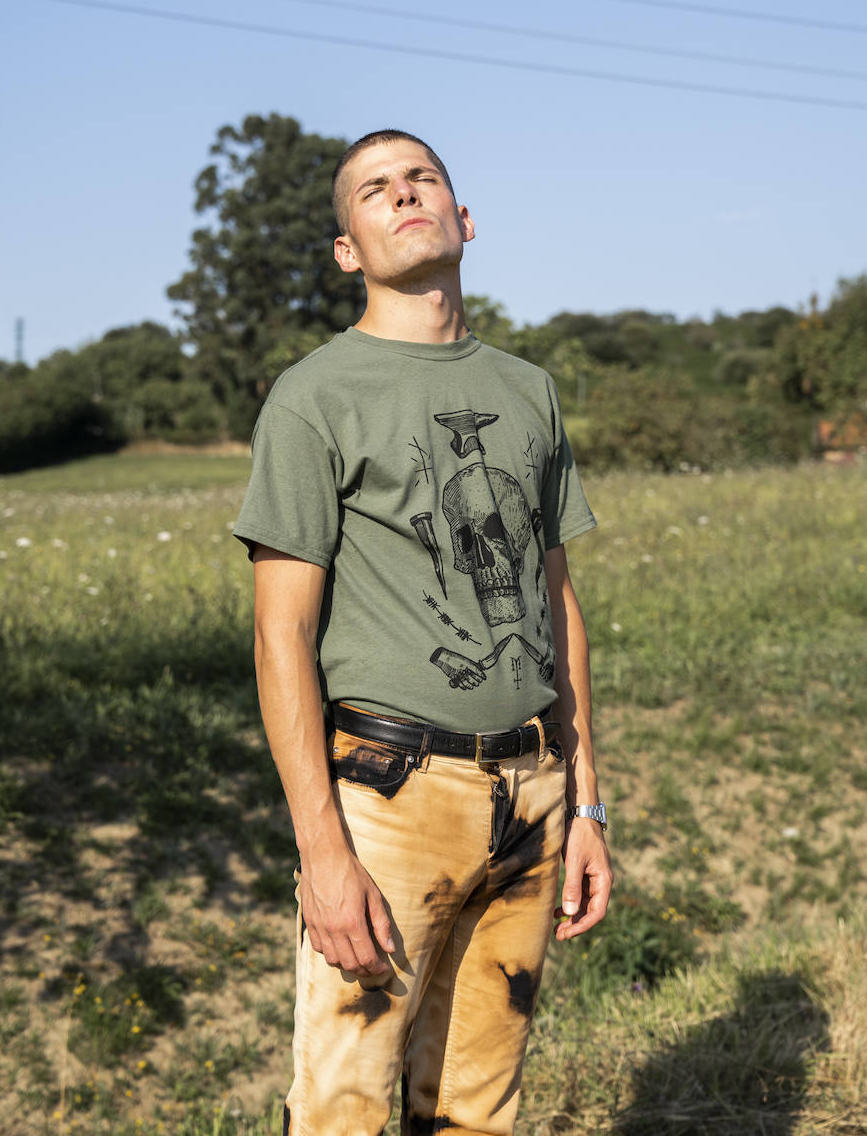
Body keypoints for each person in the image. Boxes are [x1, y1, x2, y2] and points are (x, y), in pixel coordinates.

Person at [233, 129, 612, 1135]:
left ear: (464, 219)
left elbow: (555, 603)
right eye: (372, 191)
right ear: (346, 249)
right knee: (344, 1107)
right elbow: (282, 636)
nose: (402, 196)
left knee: (478, 1108)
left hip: (531, 791)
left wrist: (587, 804)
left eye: (421, 179)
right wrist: (323, 852)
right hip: (390, 799)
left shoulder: (528, 389)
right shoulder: (315, 396)